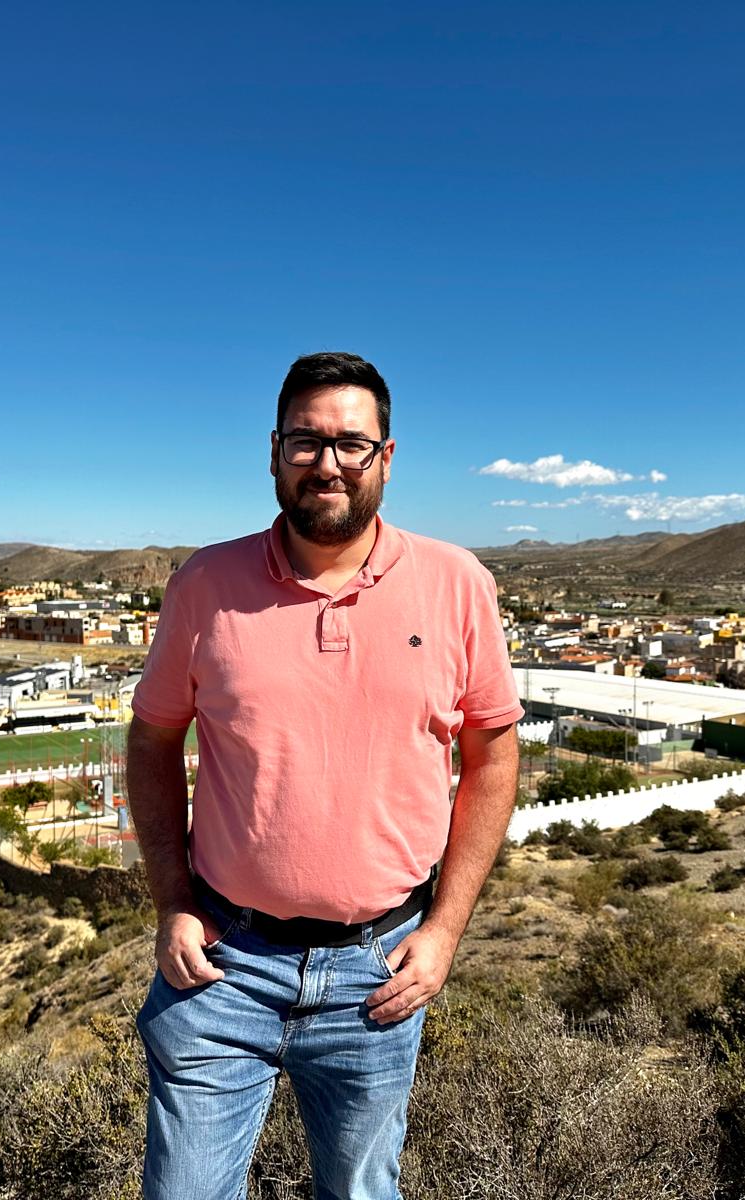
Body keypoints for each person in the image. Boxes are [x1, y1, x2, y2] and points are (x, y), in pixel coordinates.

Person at [126, 350, 522, 1199]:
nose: (328, 462)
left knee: (360, 1192)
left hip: (377, 972)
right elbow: (153, 738)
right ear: (274, 453)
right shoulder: (205, 583)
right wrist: (172, 905)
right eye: (306, 441)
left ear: (386, 456)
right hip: (222, 964)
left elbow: (492, 758)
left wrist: (445, 932)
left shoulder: (457, 584)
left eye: (352, 442)